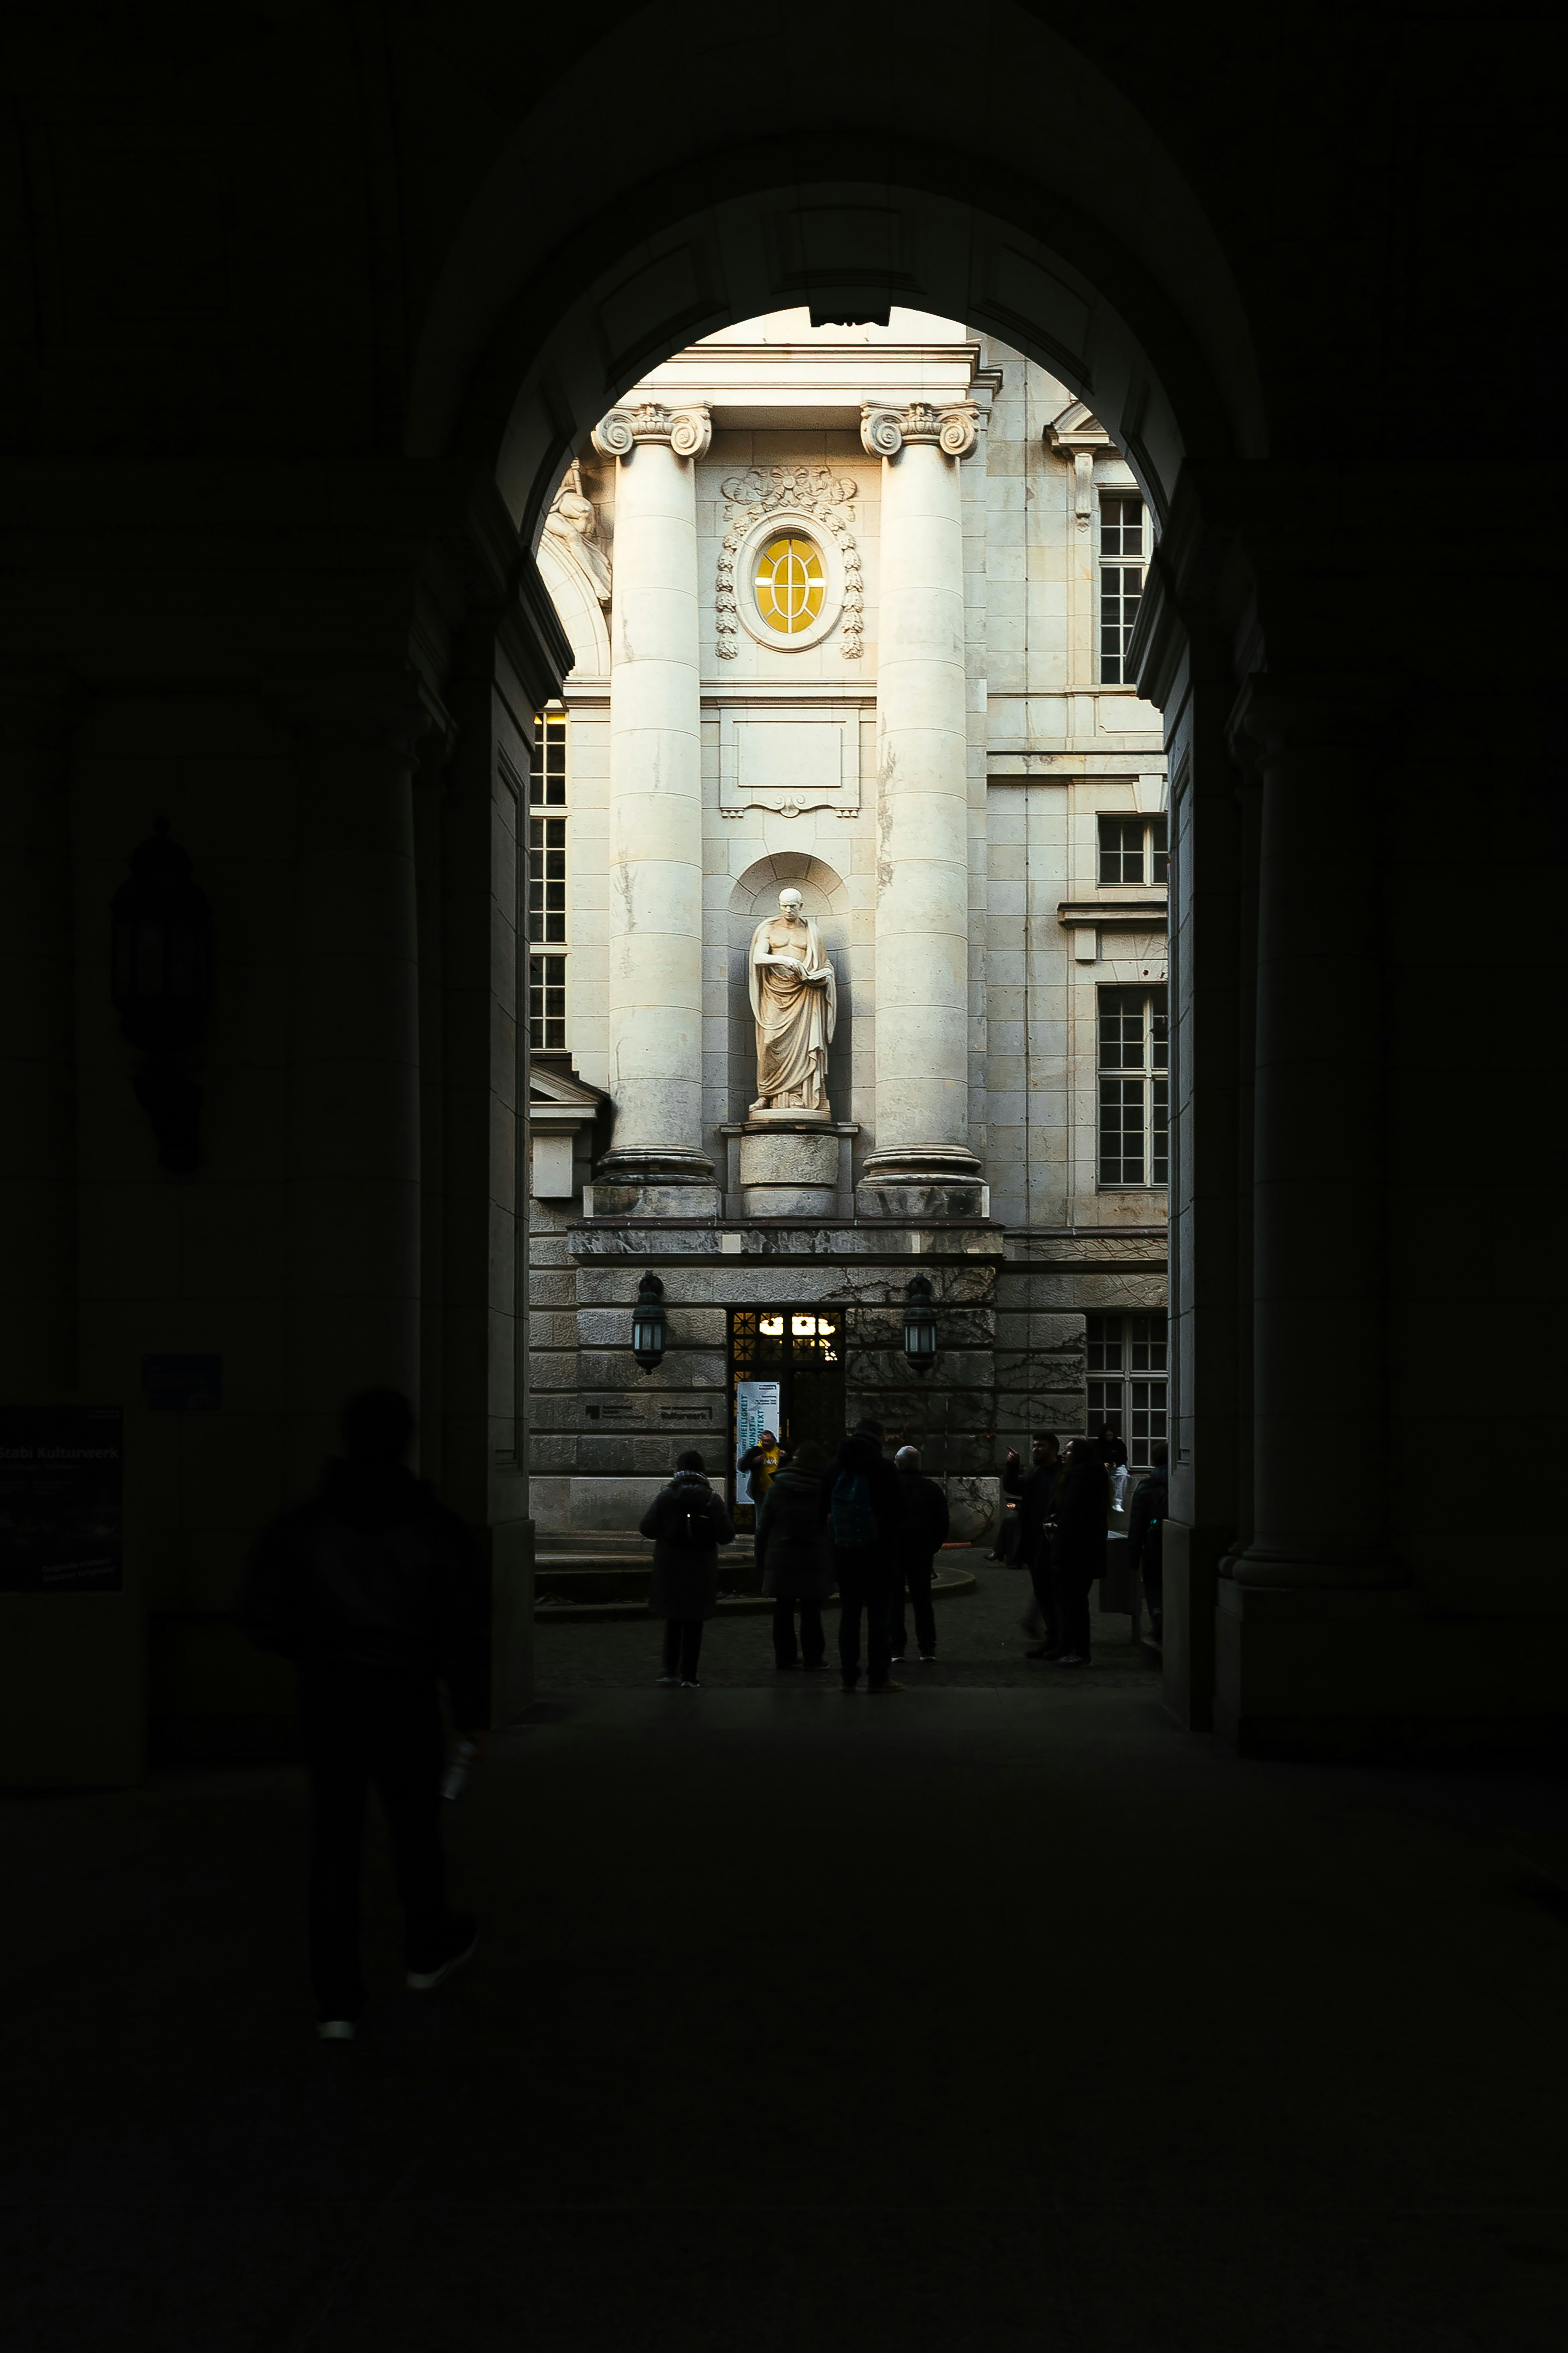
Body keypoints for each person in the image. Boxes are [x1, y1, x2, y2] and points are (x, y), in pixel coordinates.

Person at [239, 1389, 487, 2043]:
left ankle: (337, 1999)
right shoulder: (437, 1528)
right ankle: (426, 1947)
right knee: (416, 1831)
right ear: (406, 1440)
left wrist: (316, 1651)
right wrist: (470, 1710)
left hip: (330, 1698)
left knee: (334, 1845)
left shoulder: (302, 1528)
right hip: (407, 1697)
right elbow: (464, 1627)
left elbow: (261, 1616)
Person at [818, 1419, 904, 1693]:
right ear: (878, 1438)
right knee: (879, 1618)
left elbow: (821, 1510)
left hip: (845, 1554)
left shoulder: (834, 1467)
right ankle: (879, 1677)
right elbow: (903, 1510)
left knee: (849, 1616)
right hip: (879, 1555)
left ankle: (848, 1677)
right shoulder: (884, 1467)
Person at [640, 1449, 734, 1688]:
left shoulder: (666, 1496)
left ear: (679, 1469)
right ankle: (690, 1677)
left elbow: (647, 1528)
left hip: (670, 1565)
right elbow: (726, 1536)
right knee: (695, 1622)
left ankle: (669, 1671)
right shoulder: (712, 1499)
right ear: (702, 1471)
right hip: (701, 1567)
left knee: (673, 1619)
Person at [755, 1437, 833, 1669]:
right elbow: (831, 1525)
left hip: (783, 1556)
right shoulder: (823, 1489)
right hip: (813, 1556)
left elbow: (765, 1526)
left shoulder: (778, 1487)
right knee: (811, 1609)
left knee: (783, 1608)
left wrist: (760, 1560)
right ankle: (814, 1658)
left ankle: (785, 1658)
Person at [1048, 1436, 1110, 1668]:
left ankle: (1080, 1652)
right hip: (1084, 1551)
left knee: (1074, 1604)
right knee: (1074, 1603)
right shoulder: (1090, 1475)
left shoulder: (1081, 1477)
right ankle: (1074, 1648)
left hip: (1076, 1553)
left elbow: (1075, 1516)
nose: (1065, 1454)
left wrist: (1058, 1529)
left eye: (1069, 1450)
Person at [1002, 1432, 1062, 1658]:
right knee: (1043, 1594)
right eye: (1035, 1445)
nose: (1036, 1449)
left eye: (1041, 1446)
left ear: (1053, 1449)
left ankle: (1059, 1639)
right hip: (1034, 1543)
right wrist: (1012, 1466)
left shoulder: (1061, 1475)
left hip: (1052, 1543)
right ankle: (1052, 1638)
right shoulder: (1036, 1472)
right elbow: (1015, 1487)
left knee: (1054, 1595)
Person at [889, 1445, 949, 1664]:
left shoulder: (890, 1488)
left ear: (899, 1463)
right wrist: (931, 1547)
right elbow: (942, 1523)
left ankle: (896, 1648)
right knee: (923, 1601)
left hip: (894, 1550)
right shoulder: (931, 1489)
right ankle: (927, 1648)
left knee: (894, 1601)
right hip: (921, 1551)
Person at [1127, 1439, 1168, 1641]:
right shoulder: (1183, 1482)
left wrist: (1133, 1556)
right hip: (1176, 1544)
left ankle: (1157, 1611)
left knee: (1153, 1583)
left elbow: (1136, 1525)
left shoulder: (1146, 1485)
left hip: (1154, 1544)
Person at [737, 1428, 783, 1511]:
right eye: (763, 1441)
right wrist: (754, 1461)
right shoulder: (756, 1451)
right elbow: (743, 1467)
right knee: (761, 1517)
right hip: (760, 1491)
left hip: (778, 1490)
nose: (765, 1444)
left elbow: (791, 1463)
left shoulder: (781, 1449)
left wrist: (786, 1456)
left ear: (774, 1441)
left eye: (768, 1442)